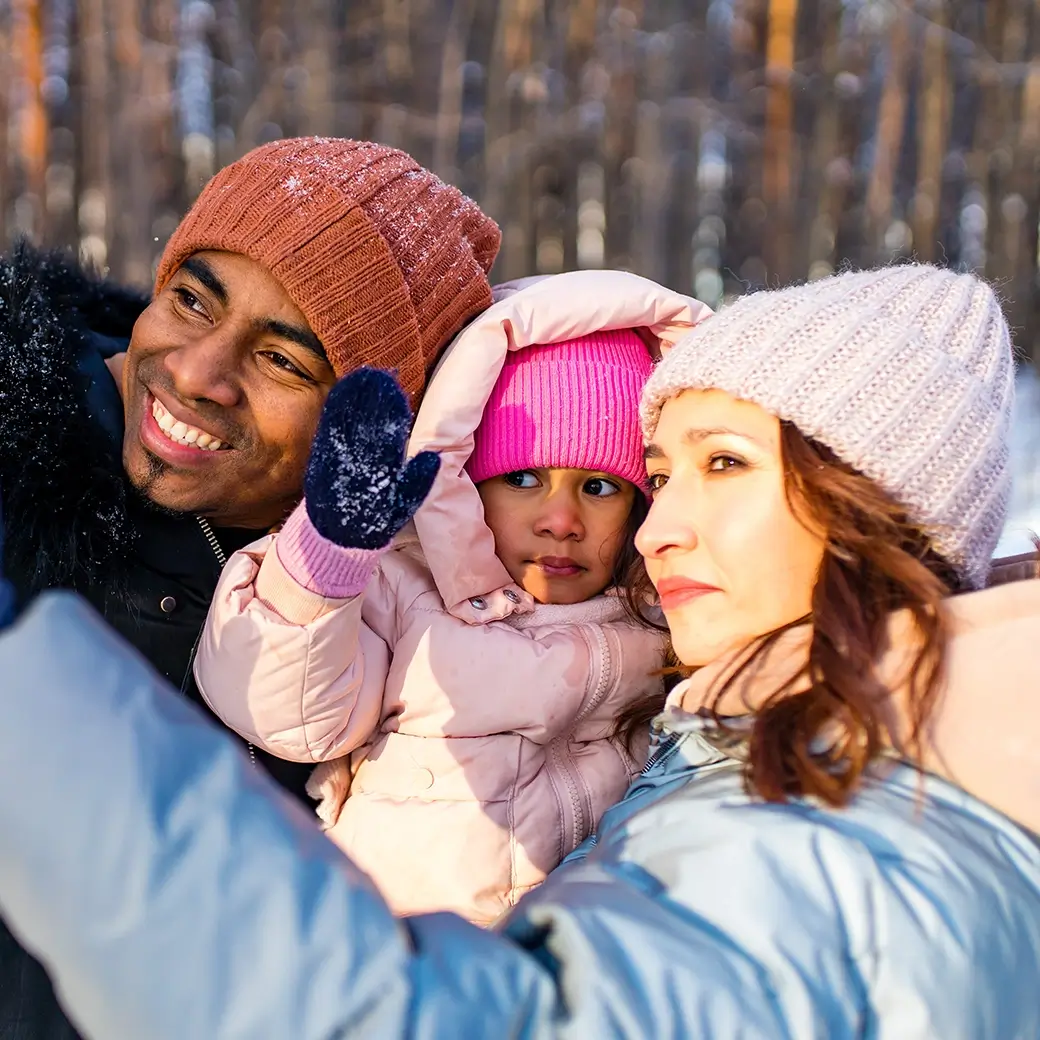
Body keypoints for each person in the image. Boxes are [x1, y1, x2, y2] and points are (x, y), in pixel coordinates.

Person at [1, 264, 1039, 1038]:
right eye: (664, 473)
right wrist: (324, 563)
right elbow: (288, 695)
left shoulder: (842, 844)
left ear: (871, 502)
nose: (652, 527)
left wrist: (24, 694)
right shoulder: (791, 743)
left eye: (722, 464)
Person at [0, 136, 499, 1038]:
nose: (195, 372)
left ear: (376, 427)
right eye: (191, 299)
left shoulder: (389, 641)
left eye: (283, 361)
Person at [194, 270, 709, 923]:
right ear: (465, 485)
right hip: (400, 961)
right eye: (522, 477)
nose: (561, 519)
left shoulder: (664, 619)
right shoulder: (406, 590)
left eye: (600, 487)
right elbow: (286, 712)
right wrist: (327, 560)